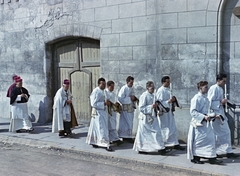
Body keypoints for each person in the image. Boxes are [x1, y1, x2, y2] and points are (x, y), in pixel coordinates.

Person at [187, 81, 223, 164]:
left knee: (210, 139)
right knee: (199, 140)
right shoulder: (196, 98)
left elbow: (208, 110)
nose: (207, 89)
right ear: (200, 88)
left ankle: (211, 157)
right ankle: (196, 157)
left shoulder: (206, 99)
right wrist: (203, 117)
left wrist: (214, 115)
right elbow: (193, 112)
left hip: (206, 123)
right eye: (206, 87)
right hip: (198, 123)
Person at [207, 74, 239, 158]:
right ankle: (215, 151)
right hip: (215, 114)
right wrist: (220, 102)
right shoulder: (213, 88)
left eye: (225, 81)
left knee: (226, 132)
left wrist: (225, 102)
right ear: (218, 80)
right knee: (215, 134)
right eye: (223, 81)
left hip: (221, 113)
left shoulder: (220, 89)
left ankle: (228, 151)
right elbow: (209, 102)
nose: (225, 83)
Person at [133, 81, 167, 155]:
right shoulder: (144, 96)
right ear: (147, 88)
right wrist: (151, 106)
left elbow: (156, 103)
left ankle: (160, 148)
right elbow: (141, 108)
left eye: (154, 87)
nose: (153, 89)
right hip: (145, 119)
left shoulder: (154, 95)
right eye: (151, 88)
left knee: (157, 132)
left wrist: (157, 105)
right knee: (145, 134)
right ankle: (142, 148)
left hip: (153, 117)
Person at [156, 76, 185, 150]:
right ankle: (164, 143)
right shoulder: (160, 90)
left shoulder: (169, 90)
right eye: (167, 82)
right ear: (163, 82)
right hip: (164, 113)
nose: (169, 83)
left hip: (170, 113)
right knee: (165, 129)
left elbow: (173, 99)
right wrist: (168, 102)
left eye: (169, 82)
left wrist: (174, 100)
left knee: (172, 128)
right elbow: (159, 103)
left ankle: (175, 143)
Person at [86, 78, 113, 151]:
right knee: (101, 128)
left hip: (104, 112)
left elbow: (108, 98)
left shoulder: (104, 91)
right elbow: (93, 103)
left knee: (98, 128)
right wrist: (104, 103)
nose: (104, 85)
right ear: (98, 84)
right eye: (103, 84)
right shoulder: (96, 91)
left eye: (105, 84)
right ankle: (105, 144)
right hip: (98, 113)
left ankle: (95, 141)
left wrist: (109, 102)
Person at [118, 76, 137, 143]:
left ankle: (128, 136)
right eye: (131, 82)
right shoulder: (124, 88)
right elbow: (120, 98)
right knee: (125, 122)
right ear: (127, 82)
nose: (132, 84)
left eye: (132, 83)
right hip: (126, 109)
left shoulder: (132, 88)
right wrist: (129, 99)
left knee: (130, 122)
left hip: (130, 108)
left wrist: (134, 98)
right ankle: (125, 136)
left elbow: (133, 95)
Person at [106, 81, 123, 146]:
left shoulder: (113, 93)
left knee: (113, 125)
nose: (113, 88)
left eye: (113, 87)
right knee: (109, 126)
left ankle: (114, 139)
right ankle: (113, 139)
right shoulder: (106, 93)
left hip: (113, 112)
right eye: (112, 86)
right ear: (108, 86)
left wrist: (117, 103)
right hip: (108, 112)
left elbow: (117, 99)